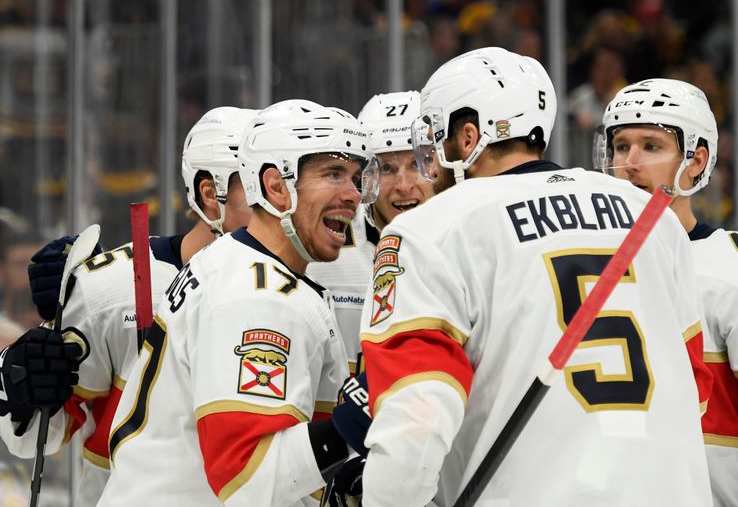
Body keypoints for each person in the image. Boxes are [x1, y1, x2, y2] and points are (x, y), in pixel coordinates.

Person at [358, 47, 714, 506]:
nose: (432, 160)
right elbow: (693, 385)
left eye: (436, 140)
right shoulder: (652, 216)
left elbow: (416, 422)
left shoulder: (431, 228)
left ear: (469, 138)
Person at [98, 100, 378, 506]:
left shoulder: (239, 263)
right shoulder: (258, 297)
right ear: (276, 186)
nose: (353, 195)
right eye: (333, 174)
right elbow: (245, 479)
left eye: (355, 178)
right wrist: (351, 423)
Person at [0, 106, 258, 507]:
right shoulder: (112, 288)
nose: (281, 201)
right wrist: (20, 377)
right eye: (258, 186)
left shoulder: (315, 285)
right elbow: (35, 435)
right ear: (211, 194)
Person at [596, 78, 738, 507]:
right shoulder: (577, 269)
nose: (629, 164)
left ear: (696, 161)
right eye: (620, 146)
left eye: (651, 147)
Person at [307, 90, 434, 376]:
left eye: (416, 164)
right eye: (387, 168)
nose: (403, 185)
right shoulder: (325, 252)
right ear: (366, 178)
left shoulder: (468, 241)